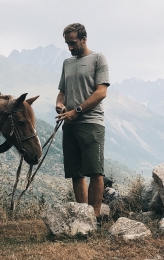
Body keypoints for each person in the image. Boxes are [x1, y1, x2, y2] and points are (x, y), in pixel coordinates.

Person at [55, 23, 109, 220]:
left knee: (95, 172)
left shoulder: (98, 59)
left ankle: (94, 217)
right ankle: (82, 215)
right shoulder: (67, 63)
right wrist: (60, 105)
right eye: (67, 43)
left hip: (91, 123)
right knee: (76, 173)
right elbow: (62, 92)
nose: (70, 47)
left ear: (84, 39)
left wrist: (76, 111)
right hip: (69, 124)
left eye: (73, 43)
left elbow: (101, 92)